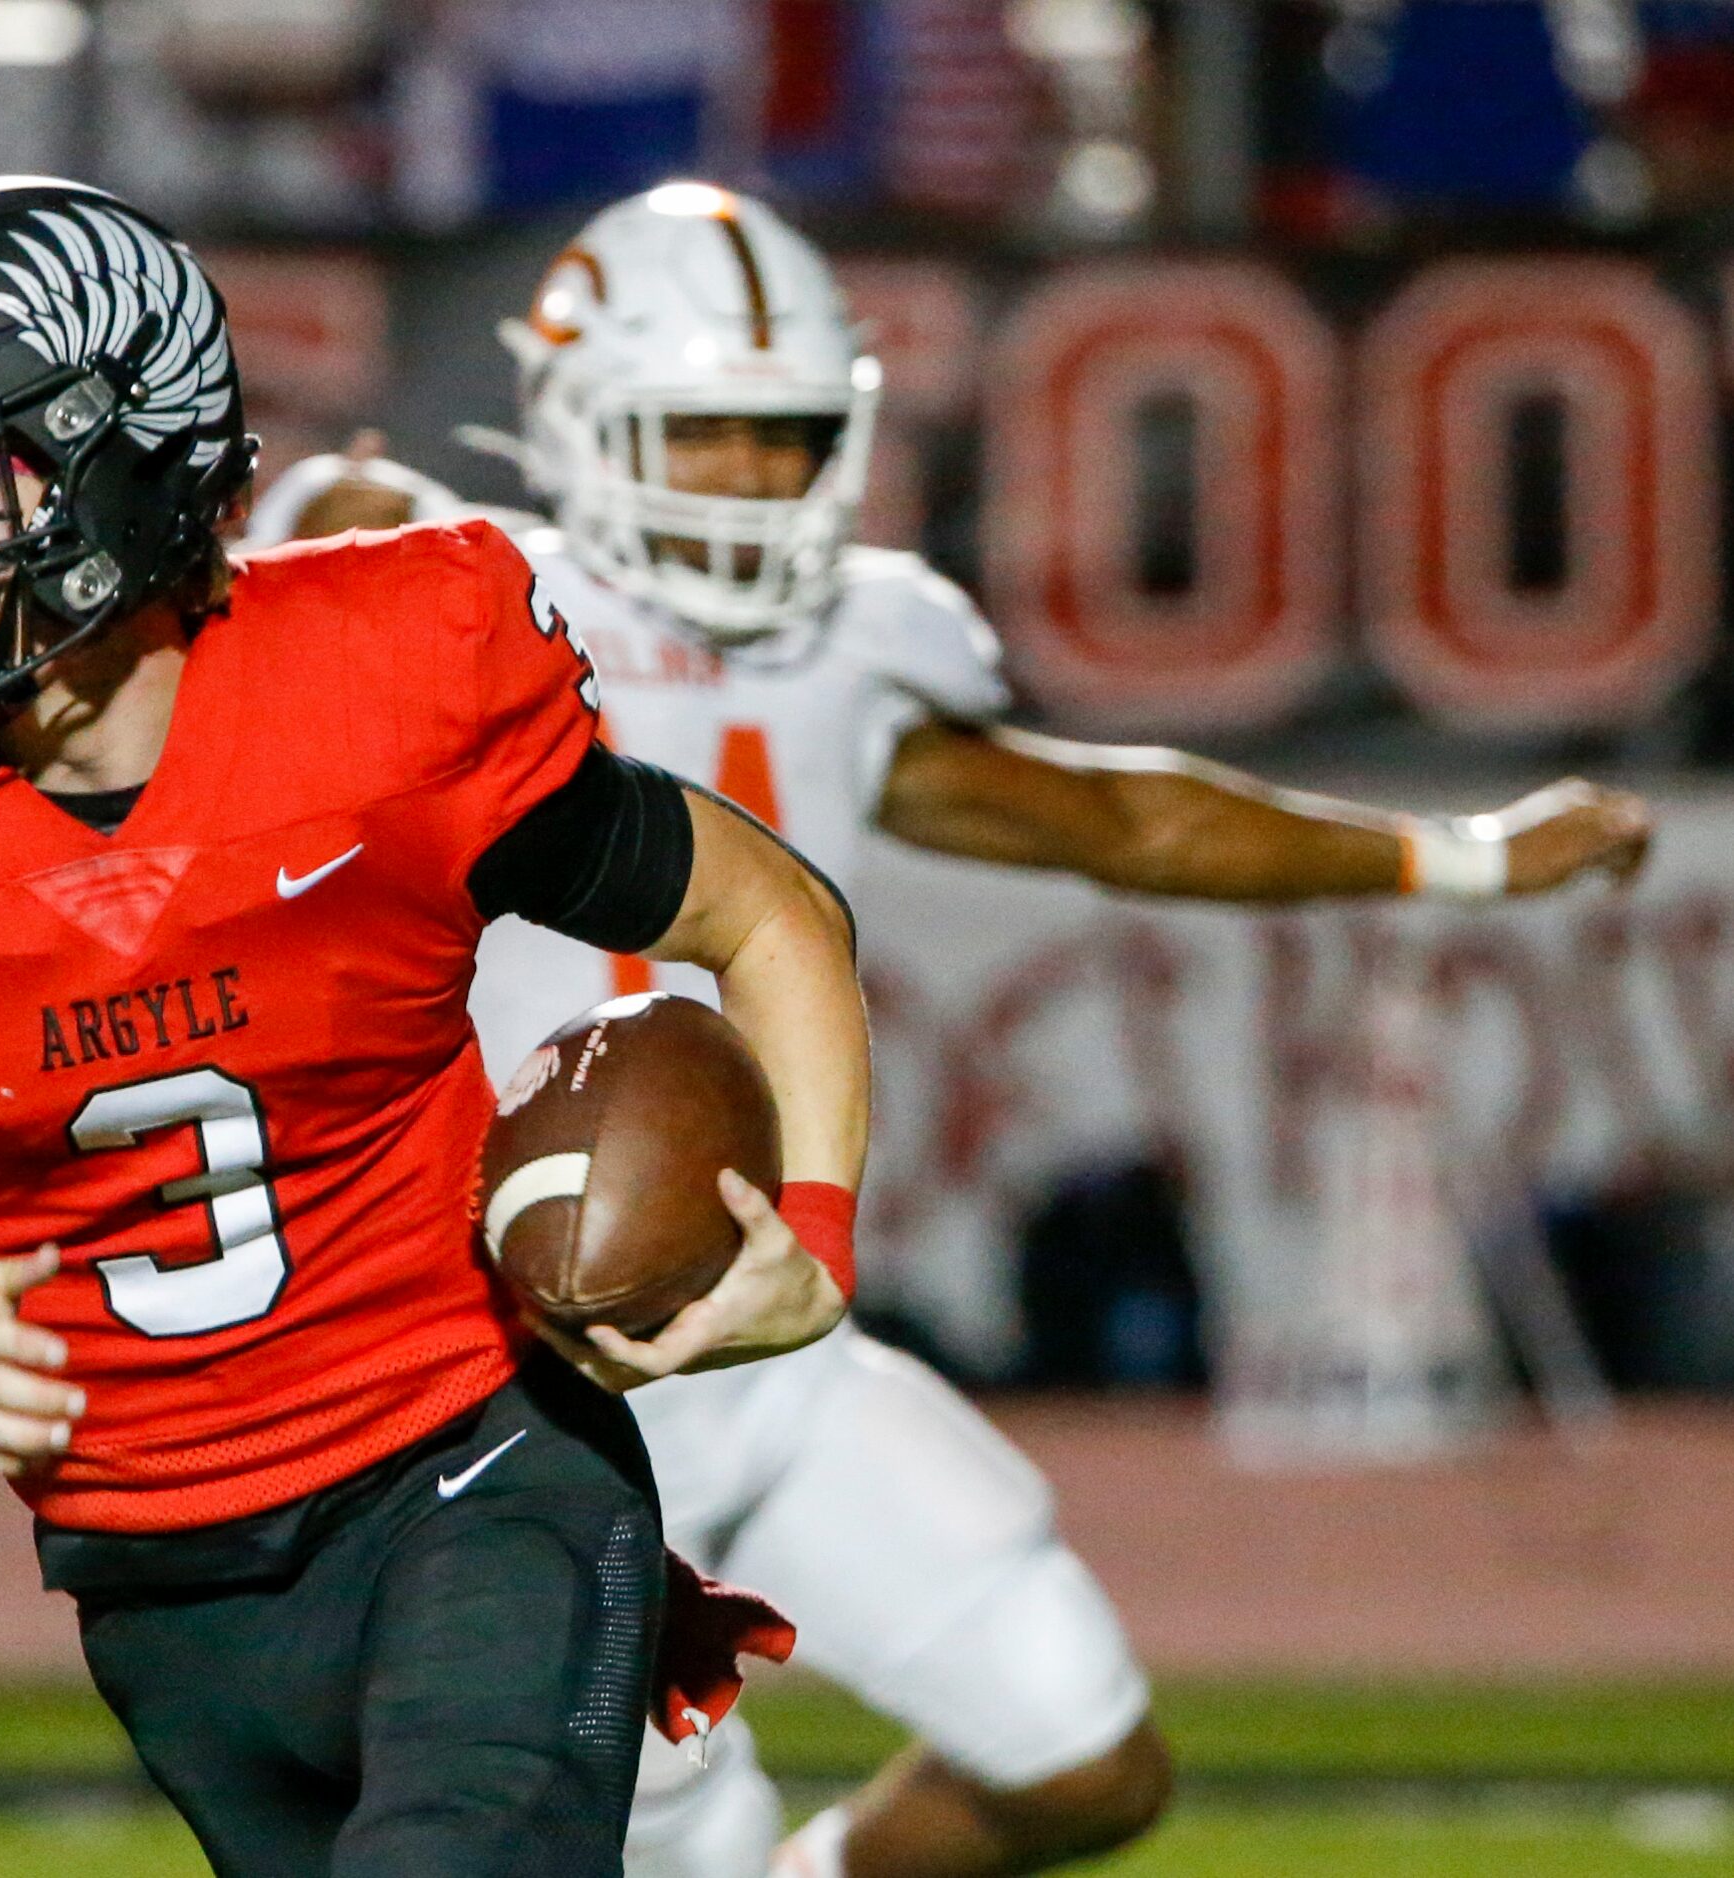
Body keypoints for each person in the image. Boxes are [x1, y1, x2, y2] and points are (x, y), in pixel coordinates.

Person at [251, 181, 1655, 1878]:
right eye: (698, 434)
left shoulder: (858, 644)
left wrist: (1459, 853)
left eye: (779, 437)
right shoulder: (454, 611)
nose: (751, 481)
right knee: (633, 1829)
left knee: (1083, 1753)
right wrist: (337, 524)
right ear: (574, 420)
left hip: (776, 1337)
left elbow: (1109, 818)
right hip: (519, 1375)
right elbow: (303, 563)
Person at [0, 175, 872, 1878]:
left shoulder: (386, 678)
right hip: (159, 1577)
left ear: (122, 453)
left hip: (476, 1462)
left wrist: (809, 1232)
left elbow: (764, 913)